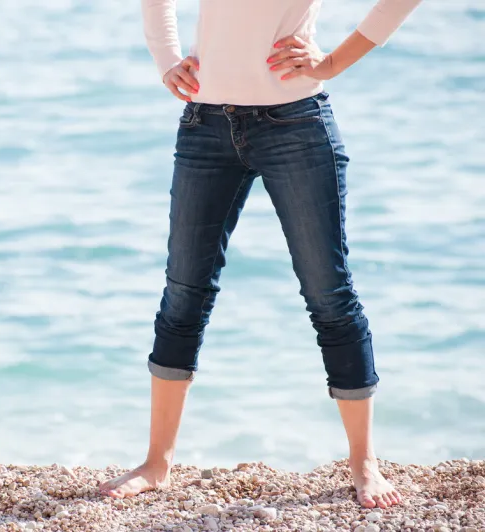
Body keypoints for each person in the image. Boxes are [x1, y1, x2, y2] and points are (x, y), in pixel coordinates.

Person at [98, 0, 423, 509]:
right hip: (205, 124)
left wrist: (333, 62)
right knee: (184, 291)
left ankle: (364, 463)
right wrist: (167, 58)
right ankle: (157, 463)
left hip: (296, 125)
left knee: (328, 294)